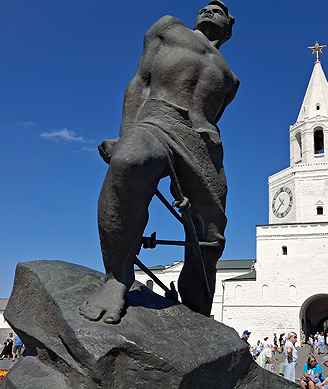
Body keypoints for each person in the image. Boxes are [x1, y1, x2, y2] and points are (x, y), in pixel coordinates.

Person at [79, 0, 239, 324]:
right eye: (205, 7)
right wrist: (125, 134)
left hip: (204, 145)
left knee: (211, 234)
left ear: (229, 26)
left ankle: (198, 310)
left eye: (218, 10)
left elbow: (213, 113)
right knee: (128, 161)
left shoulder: (231, 79)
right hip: (157, 119)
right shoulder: (169, 28)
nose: (208, 11)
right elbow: (140, 83)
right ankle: (116, 278)